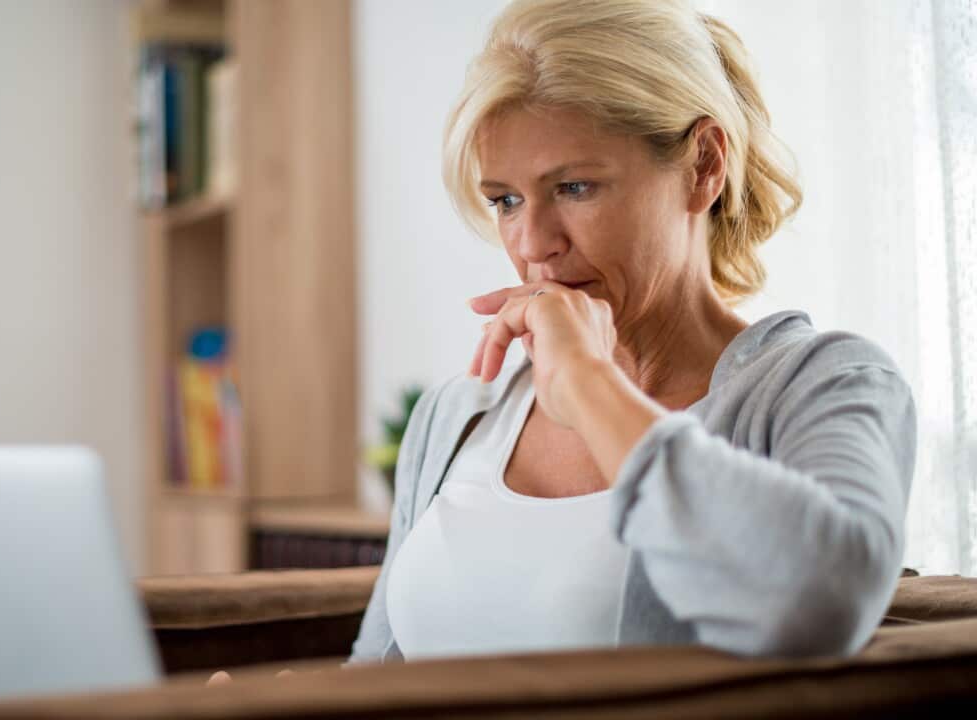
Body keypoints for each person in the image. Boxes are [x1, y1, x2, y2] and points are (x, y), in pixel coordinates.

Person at [347, 0, 916, 663]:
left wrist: (588, 385)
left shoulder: (826, 383)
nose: (533, 244)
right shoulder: (458, 413)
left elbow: (820, 604)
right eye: (505, 200)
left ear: (704, 166)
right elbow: (374, 670)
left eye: (576, 187)